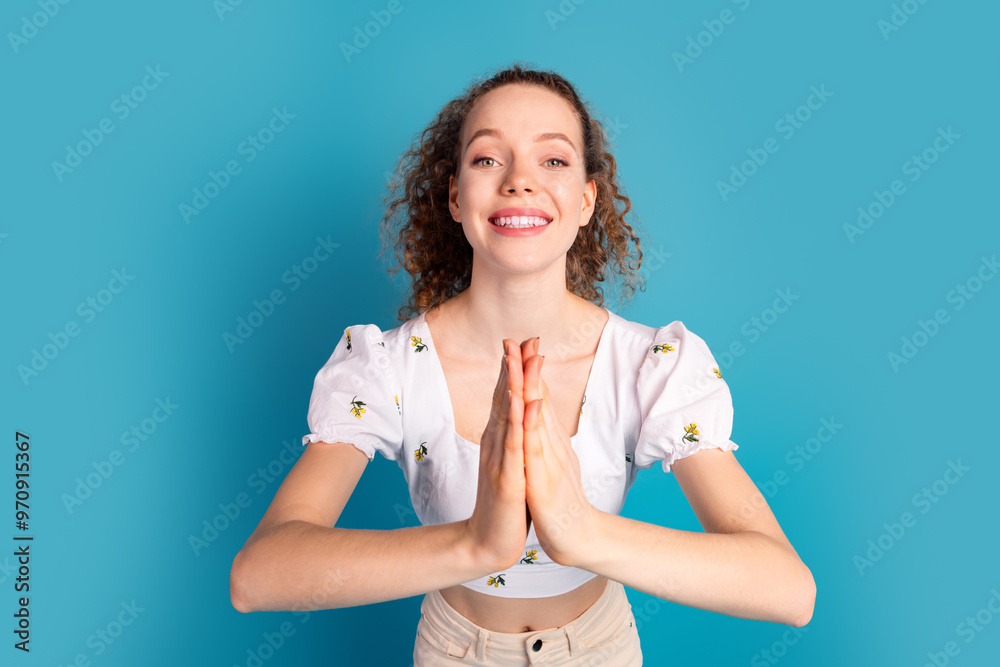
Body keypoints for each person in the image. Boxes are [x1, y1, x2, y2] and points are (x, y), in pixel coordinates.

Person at [230, 62, 816, 666]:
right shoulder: (384, 366)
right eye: (488, 159)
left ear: (588, 200)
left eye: (554, 161)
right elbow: (259, 577)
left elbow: (788, 591)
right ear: (456, 198)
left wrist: (582, 531)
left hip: (602, 647)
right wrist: (476, 543)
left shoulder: (652, 364)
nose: (519, 181)